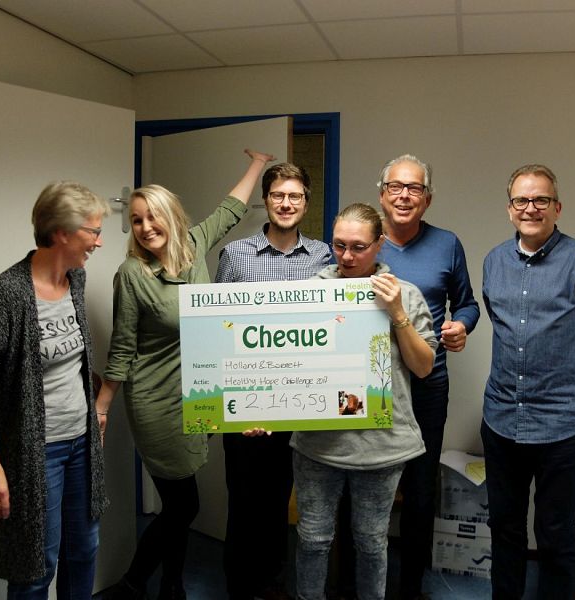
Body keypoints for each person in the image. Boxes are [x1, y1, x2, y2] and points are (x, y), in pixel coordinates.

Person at [95, 149, 275, 600]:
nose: (145, 227)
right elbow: (122, 346)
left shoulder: (194, 246)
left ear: (173, 217)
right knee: (184, 504)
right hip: (155, 400)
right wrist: (102, 406)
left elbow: (230, 210)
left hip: (199, 395)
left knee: (176, 505)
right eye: (136, 220)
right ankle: (132, 585)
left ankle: (172, 586)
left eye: (153, 216)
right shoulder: (131, 274)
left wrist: (257, 164)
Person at [0, 181, 111, 599]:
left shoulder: (76, 280)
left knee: (84, 552)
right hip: (36, 452)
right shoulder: (7, 293)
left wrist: (95, 408)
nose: (99, 241)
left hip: (82, 445)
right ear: (61, 232)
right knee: (35, 568)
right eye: (93, 231)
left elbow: (70, 363)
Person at [481, 164, 575, 599]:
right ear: (509, 209)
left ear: (557, 207)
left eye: (541, 200)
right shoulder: (493, 261)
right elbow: (500, 322)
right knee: (504, 528)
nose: (531, 208)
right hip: (502, 419)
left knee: (555, 533)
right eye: (521, 200)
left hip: (562, 424)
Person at [291, 203, 438, 600]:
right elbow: (286, 362)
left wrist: (397, 313)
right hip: (319, 443)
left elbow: (424, 367)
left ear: (379, 244)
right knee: (312, 539)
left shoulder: (405, 294)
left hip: (381, 445)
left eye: (358, 247)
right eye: (339, 245)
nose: (347, 256)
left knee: (372, 543)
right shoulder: (308, 293)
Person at [215, 162, 331, 600]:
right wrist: (233, 404)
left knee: (280, 498)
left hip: (299, 403)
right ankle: (239, 587)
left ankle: (272, 582)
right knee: (243, 499)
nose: (286, 203)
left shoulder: (324, 256)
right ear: (265, 200)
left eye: (295, 196)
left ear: (306, 202)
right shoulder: (235, 255)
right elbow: (217, 331)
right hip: (246, 403)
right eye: (278, 195)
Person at [375, 154, 480, 600]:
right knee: (364, 487)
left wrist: (462, 326)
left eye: (414, 188)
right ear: (382, 194)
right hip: (371, 387)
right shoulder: (363, 241)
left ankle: (410, 587)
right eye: (396, 187)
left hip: (427, 386)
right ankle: (356, 584)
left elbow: (468, 303)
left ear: (428, 199)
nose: (404, 196)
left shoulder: (447, 244)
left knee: (420, 492)